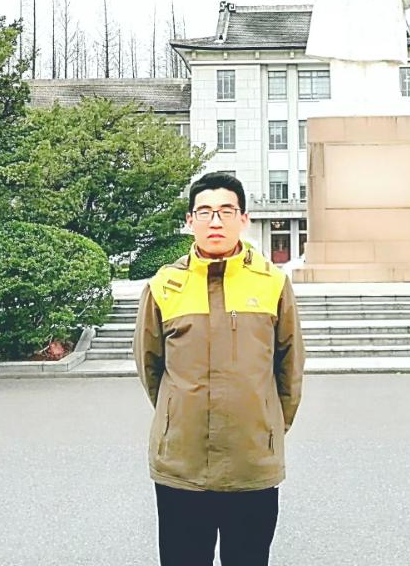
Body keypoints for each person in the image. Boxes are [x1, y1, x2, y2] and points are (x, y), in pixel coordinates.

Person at [132, 171, 305, 566]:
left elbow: (289, 367)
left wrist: (267, 424)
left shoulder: (272, 283)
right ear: (189, 220)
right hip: (182, 464)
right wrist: (176, 414)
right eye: (205, 211)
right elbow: (150, 365)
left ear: (243, 219)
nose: (215, 221)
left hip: (251, 462)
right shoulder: (164, 286)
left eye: (226, 211)